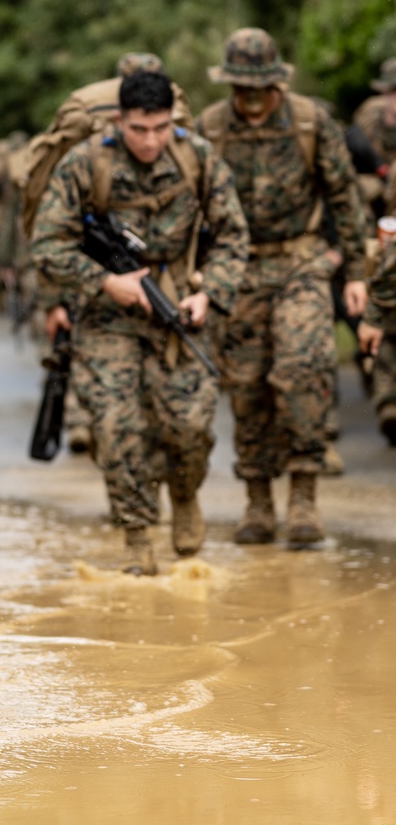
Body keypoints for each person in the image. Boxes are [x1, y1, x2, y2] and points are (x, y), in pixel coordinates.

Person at [31, 67, 248, 575]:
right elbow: (47, 244)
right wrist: (106, 281)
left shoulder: (197, 157)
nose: (151, 141)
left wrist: (209, 294)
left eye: (161, 128)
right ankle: (136, 535)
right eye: (139, 129)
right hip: (109, 317)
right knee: (116, 425)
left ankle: (185, 494)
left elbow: (234, 234)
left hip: (179, 310)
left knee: (191, 426)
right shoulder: (87, 163)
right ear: (120, 120)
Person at [197, 28, 367, 546]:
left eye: (260, 88)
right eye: (240, 89)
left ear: (276, 82)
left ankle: (304, 496)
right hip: (238, 269)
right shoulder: (210, 128)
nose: (250, 100)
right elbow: (192, 202)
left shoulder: (312, 122)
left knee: (301, 369)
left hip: (302, 263)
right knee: (247, 387)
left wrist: (356, 271)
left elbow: (344, 196)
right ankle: (257, 501)